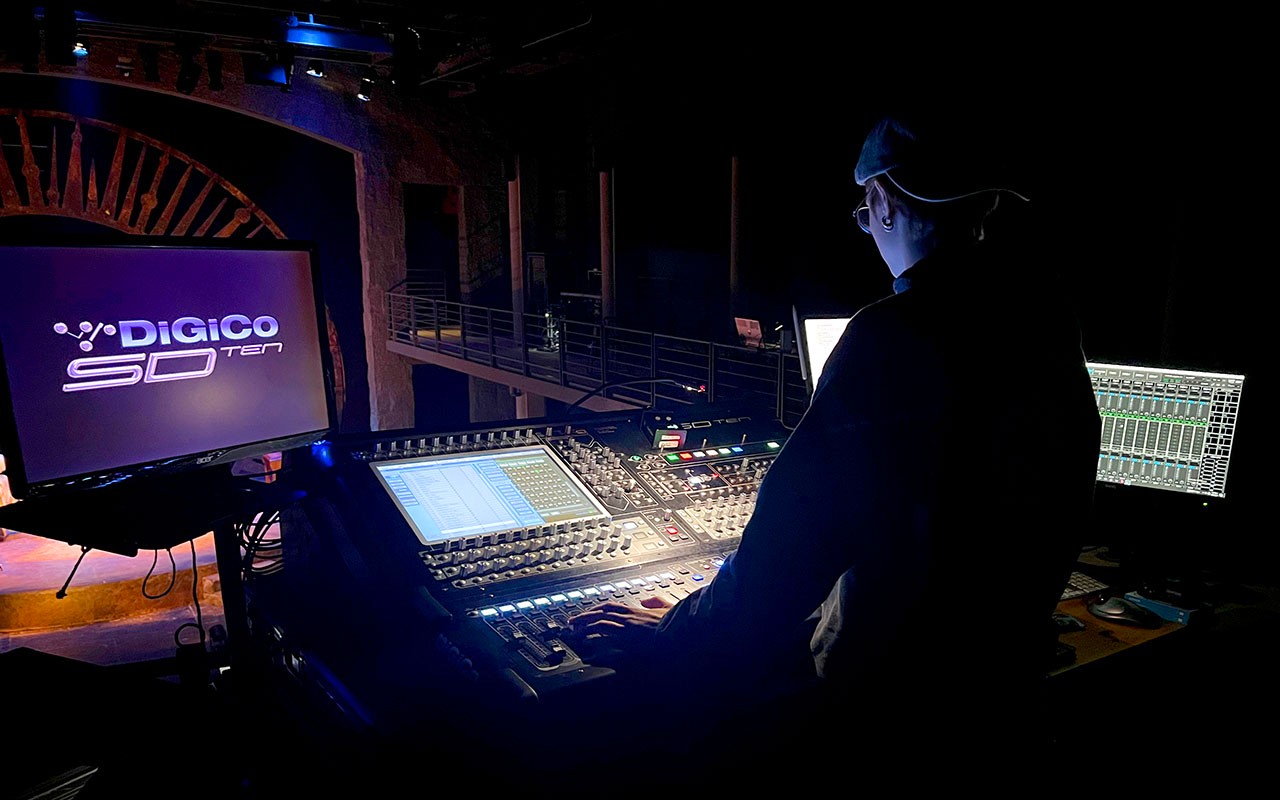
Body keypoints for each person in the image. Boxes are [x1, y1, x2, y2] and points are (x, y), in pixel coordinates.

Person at [566, 107, 1102, 772]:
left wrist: (677, 632)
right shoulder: (1047, 324)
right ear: (987, 205)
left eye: (866, 213)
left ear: (881, 202)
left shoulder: (891, 335)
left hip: (894, 714)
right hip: (1004, 692)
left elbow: (786, 560)